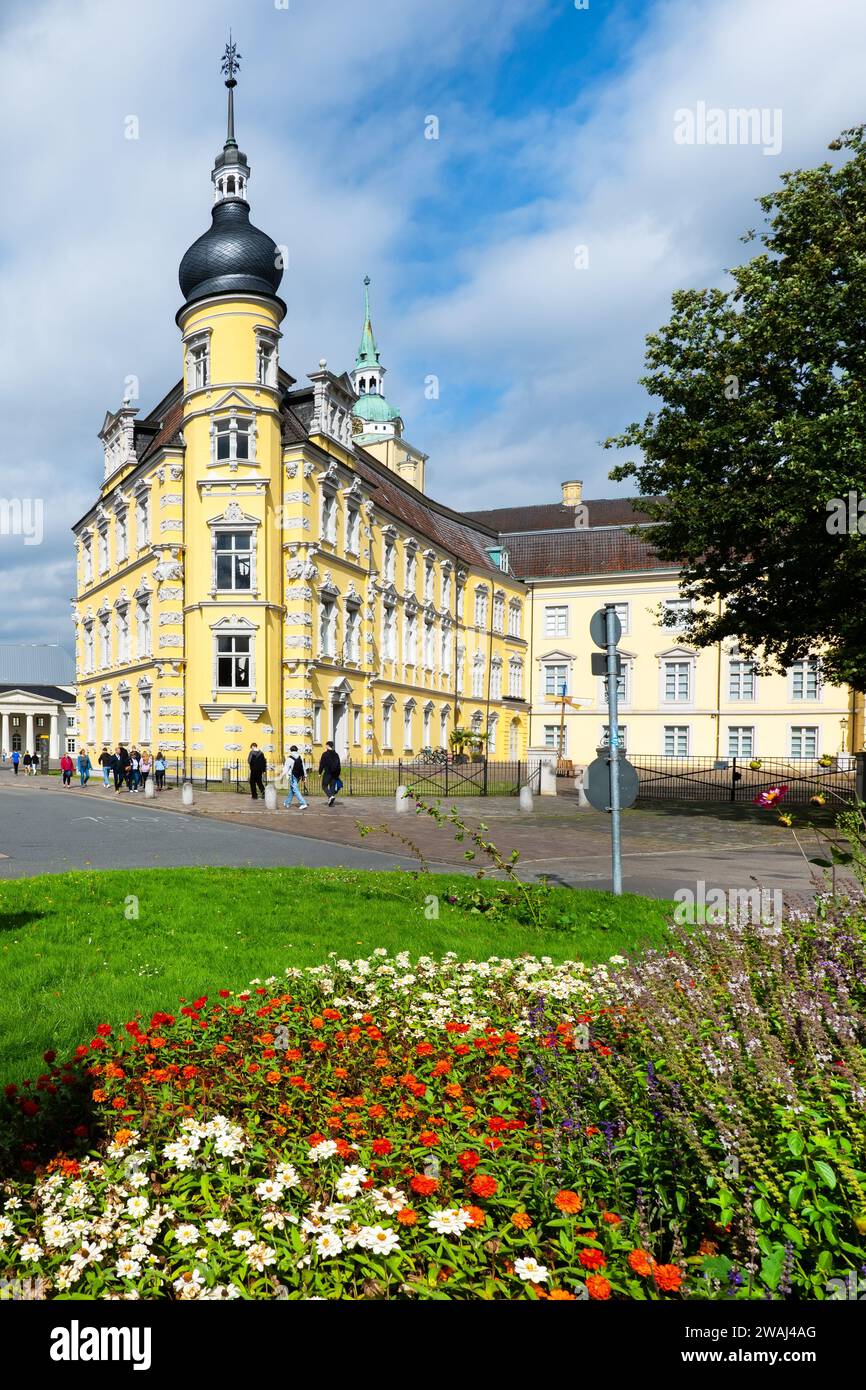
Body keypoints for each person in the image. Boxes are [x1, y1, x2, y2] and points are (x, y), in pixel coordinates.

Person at [282, 745, 308, 810]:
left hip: (292, 776)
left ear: (291, 750)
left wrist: (282, 775)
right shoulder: (300, 757)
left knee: (295, 790)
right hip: (299, 776)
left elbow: (286, 768)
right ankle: (287, 802)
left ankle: (303, 803)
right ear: (297, 750)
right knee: (292, 789)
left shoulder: (289, 758)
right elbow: (303, 767)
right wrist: (305, 776)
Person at [318, 740, 342, 807]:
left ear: (328, 746)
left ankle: (330, 796)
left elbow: (322, 764)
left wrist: (320, 772)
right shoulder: (336, 754)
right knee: (332, 787)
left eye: (326, 745)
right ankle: (330, 802)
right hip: (334, 774)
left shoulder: (325, 754)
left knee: (324, 786)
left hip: (327, 773)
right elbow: (339, 765)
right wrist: (338, 774)